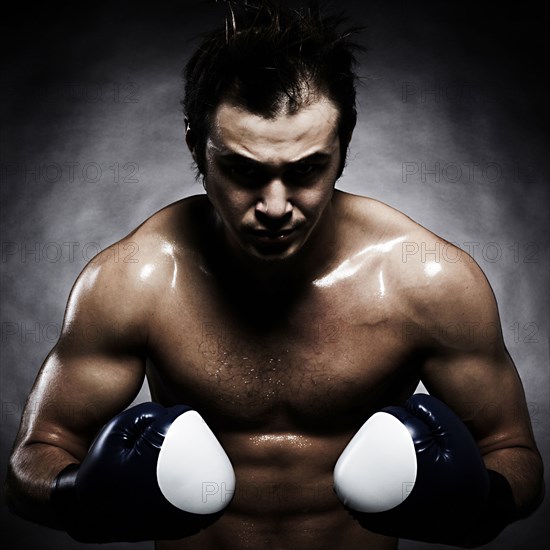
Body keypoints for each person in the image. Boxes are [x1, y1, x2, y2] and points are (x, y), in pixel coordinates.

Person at [5, 1, 544, 549]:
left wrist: (484, 504)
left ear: (344, 146)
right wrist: (79, 495)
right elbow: (31, 461)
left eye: (307, 170)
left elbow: (515, 455)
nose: (275, 206)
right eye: (244, 170)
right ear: (197, 145)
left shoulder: (427, 280)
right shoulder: (135, 280)